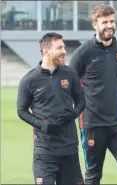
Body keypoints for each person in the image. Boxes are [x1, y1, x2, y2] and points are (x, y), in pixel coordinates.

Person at [69, 4, 117, 185]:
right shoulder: (83, 53)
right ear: (95, 25)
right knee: (93, 177)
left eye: (112, 21)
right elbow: (70, 86)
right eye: (104, 22)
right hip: (93, 125)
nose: (109, 25)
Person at [17, 32, 85, 185]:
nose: (64, 51)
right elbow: (21, 110)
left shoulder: (70, 73)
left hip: (69, 149)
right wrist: (41, 124)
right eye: (60, 47)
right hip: (44, 151)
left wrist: (73, 114)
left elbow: (81, 101)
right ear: (46, 51)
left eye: (64, 47)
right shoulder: (29, 80)